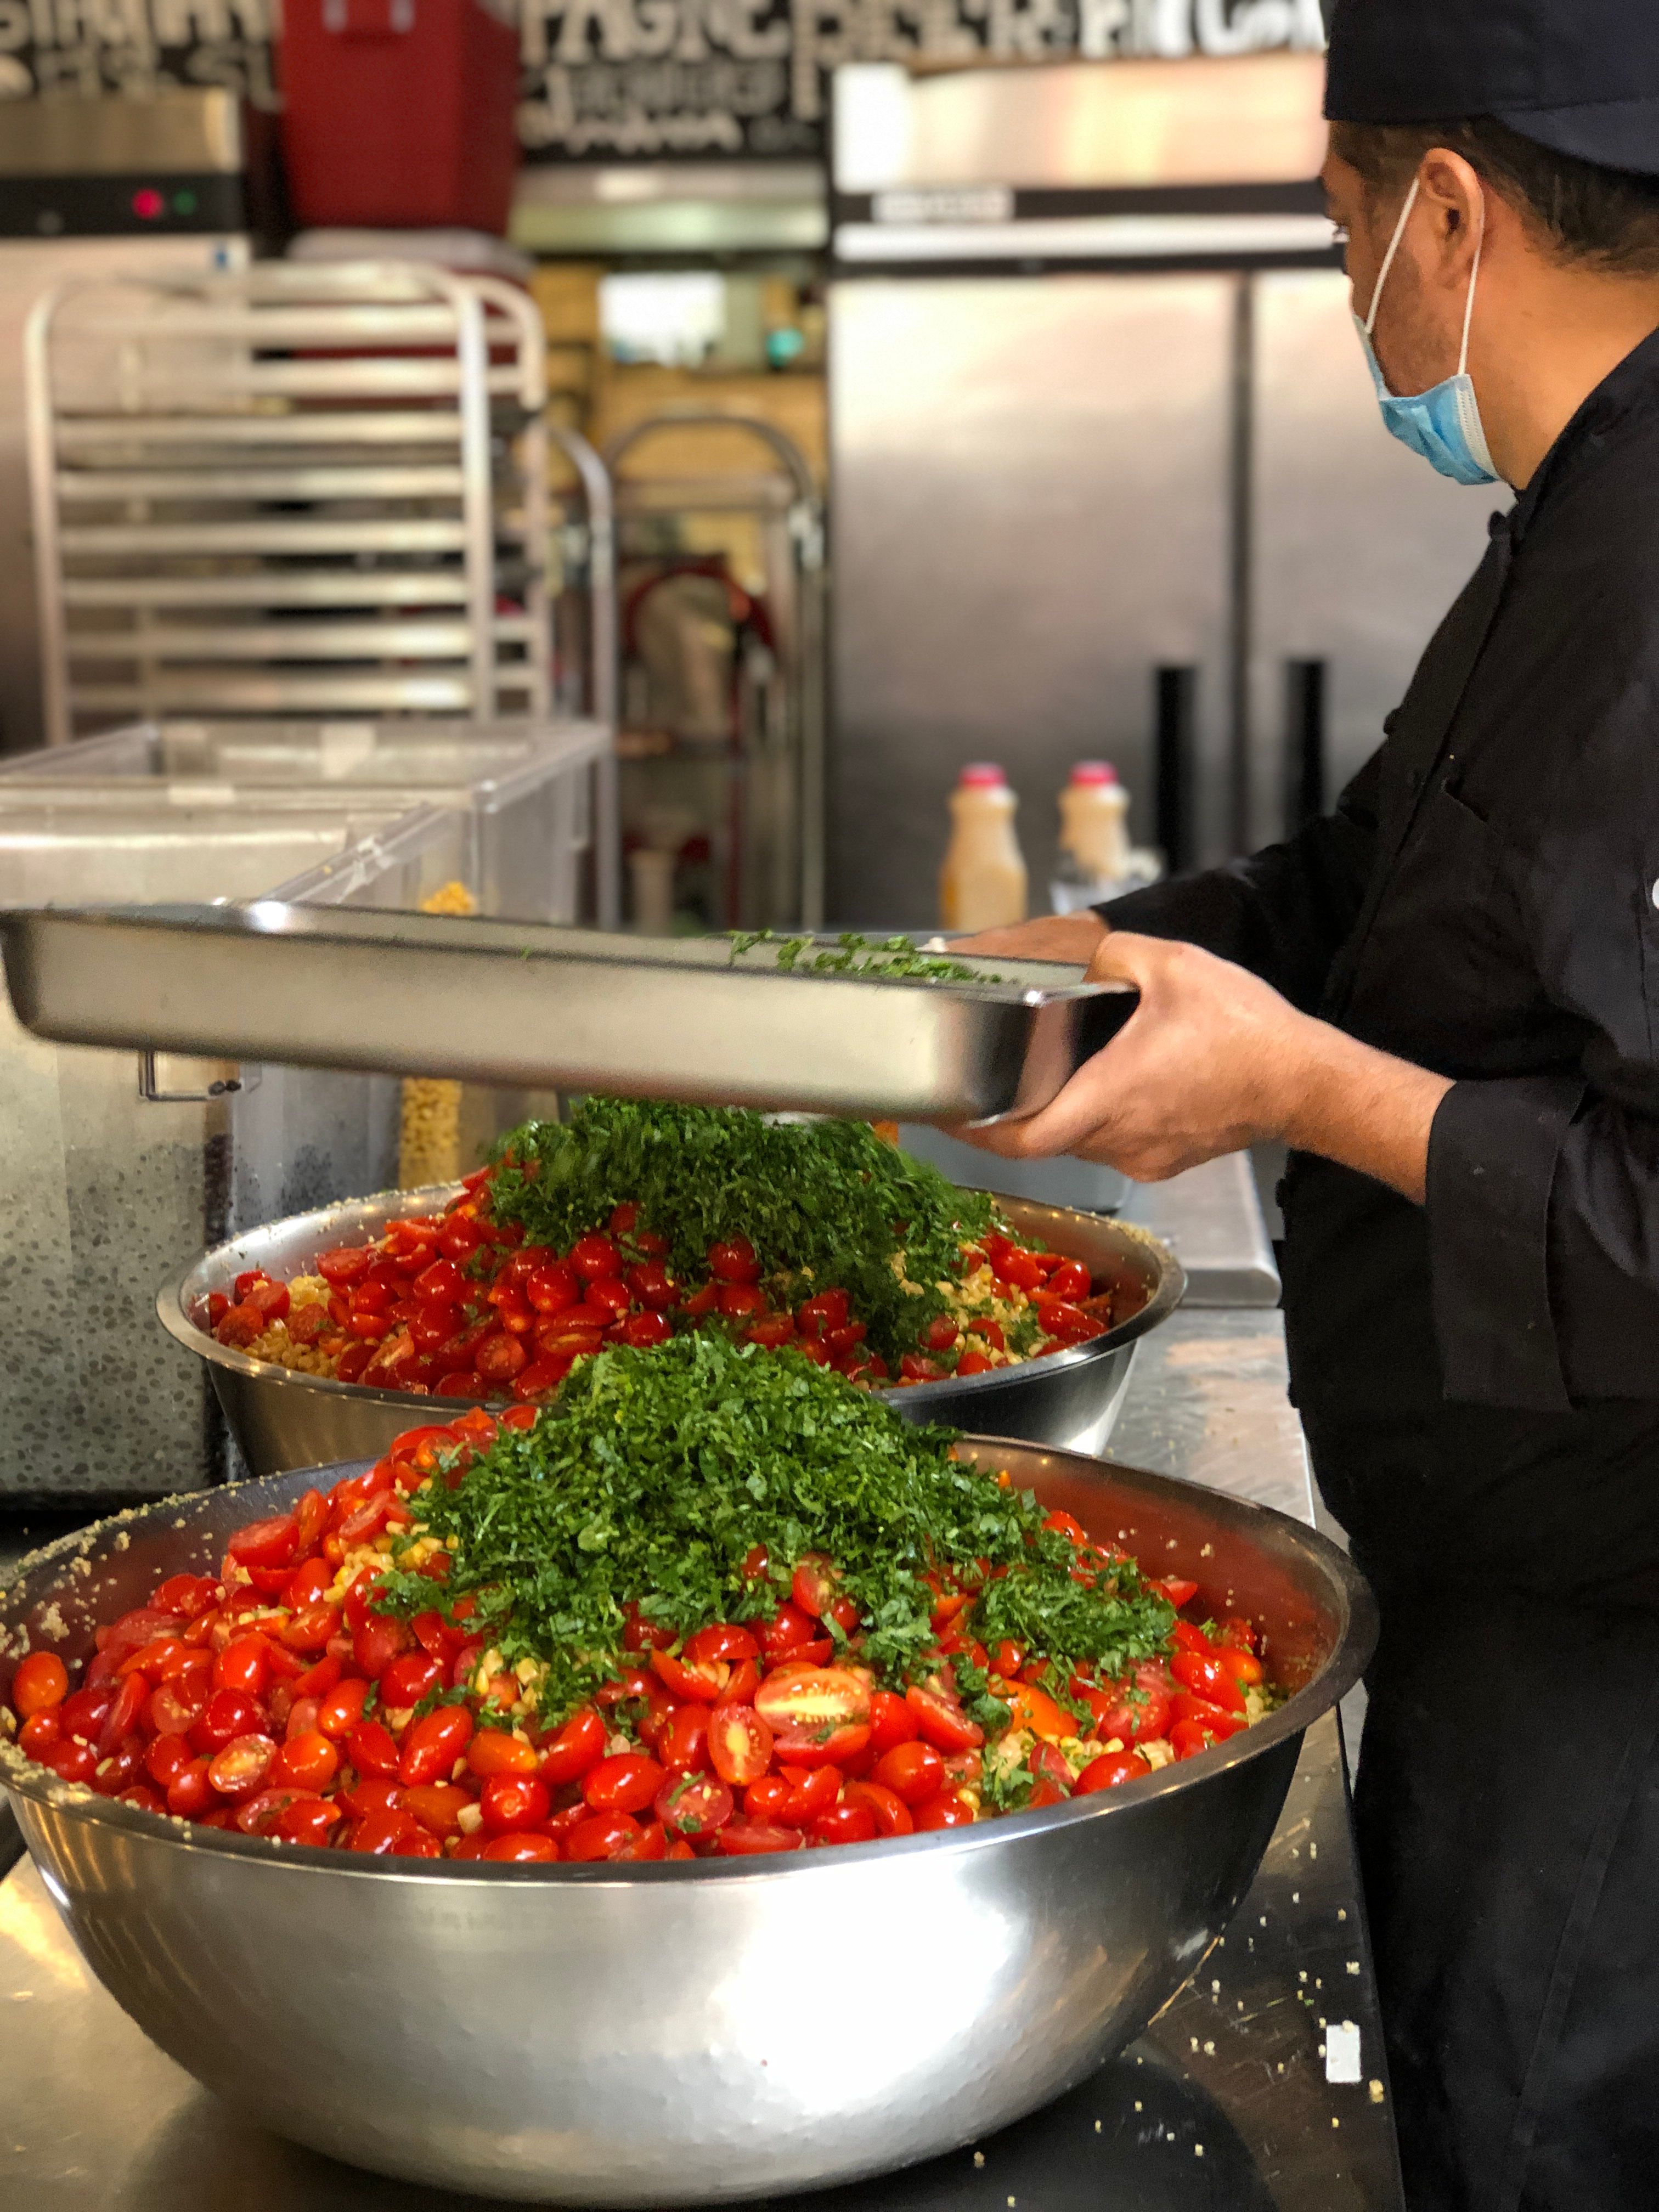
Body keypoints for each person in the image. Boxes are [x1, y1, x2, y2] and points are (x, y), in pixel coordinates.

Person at [952, 4, 1659, 2208]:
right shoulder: (1573, 525)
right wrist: (1068, 973)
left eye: (1340, 215)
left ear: (1446, 211)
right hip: (1491, 1585)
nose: (1348, 269)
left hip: (1617, 1687)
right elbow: (1374, 891)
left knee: (1539, 2141)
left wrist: (1299, 1089)